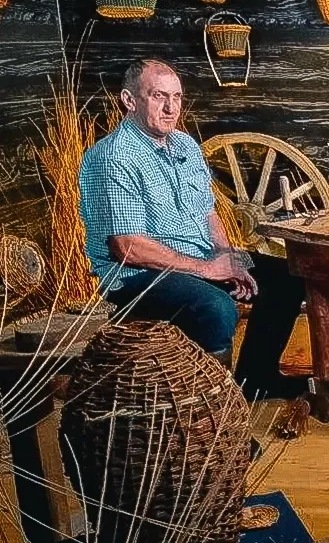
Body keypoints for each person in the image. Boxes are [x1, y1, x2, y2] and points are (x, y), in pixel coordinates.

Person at [78, 60, 308, 400]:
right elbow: (128, 247)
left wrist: (227, 258)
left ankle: (256, 380)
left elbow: (207, 212)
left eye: (177, 97)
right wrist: (208, 269)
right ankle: (211, 407)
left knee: (288, 278)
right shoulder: (112, 158)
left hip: (199, 258)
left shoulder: (185, 145)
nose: (171, 108)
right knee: (216, 308)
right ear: (129, 100)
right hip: (138, 276)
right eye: (158, 96)